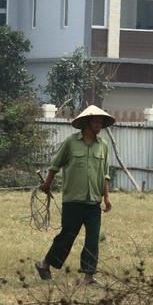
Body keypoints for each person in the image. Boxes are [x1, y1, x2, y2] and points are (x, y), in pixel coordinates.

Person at [35, 105, 114, 285]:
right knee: (67, 236)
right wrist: (46, 185)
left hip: (94, 201)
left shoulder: (103, 146)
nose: (99, 125)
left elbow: (105, 174)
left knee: (93, 239)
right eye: (95, 121)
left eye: (100, 122)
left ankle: (88, 276)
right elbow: (55, 166)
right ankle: (44, 264)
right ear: (86, 123)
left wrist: (107, 197)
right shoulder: (71, 142)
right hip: (73, 200)